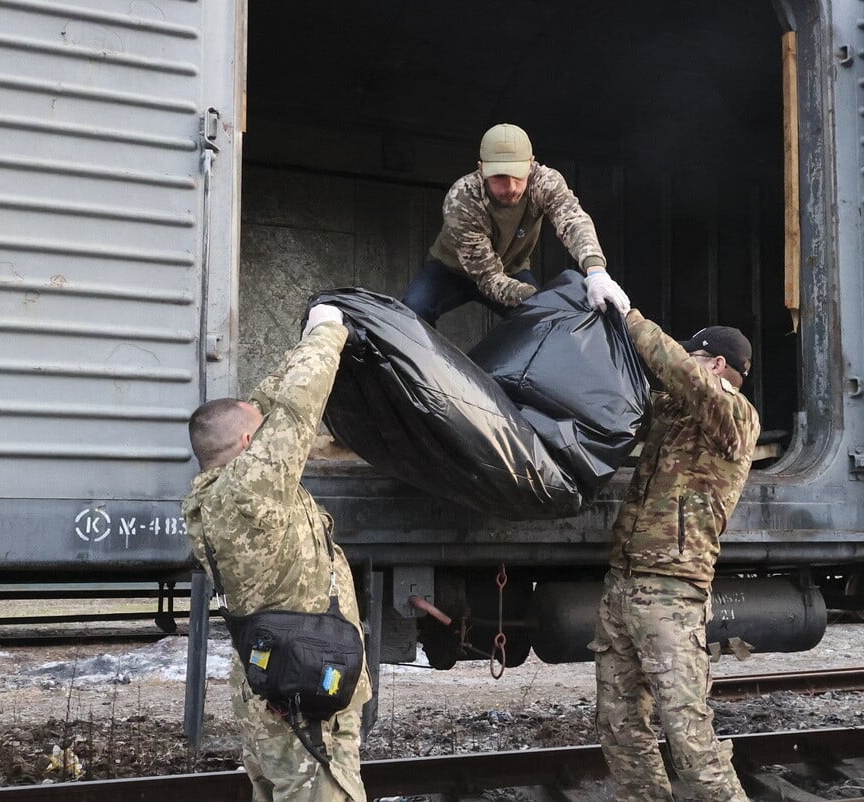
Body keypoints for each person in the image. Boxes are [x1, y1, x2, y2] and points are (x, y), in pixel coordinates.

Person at [182, 304, 371, 802]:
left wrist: (299, 343)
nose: (267, 430)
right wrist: (328, 332)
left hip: (273, 692)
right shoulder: (251, 490)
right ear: (250, 445)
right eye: (258, 432)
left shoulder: (215, 494)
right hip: (305, 697)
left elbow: (263, 407)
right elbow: (294, 408)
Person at [589, 312, 761, 802]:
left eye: (697, 354)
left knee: (688, 736)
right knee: (619, 724)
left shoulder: (735, 416)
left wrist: (629, 316)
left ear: (718, 364)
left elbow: (685, 375)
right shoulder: (673, 413)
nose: (686, 362)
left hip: (671, 590)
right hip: (623, 583)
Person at [402, 122, 629, 326]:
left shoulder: (544, 182)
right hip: (451, 272)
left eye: (517, 175)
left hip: (512, 270)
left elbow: (573, 220)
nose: (510, 187)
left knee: (542, 322)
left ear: (531, 164)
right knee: (413, 312)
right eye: (499, 177)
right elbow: (489, 279)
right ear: (482, 169)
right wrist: (545, 298)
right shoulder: (462, 199)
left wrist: (596, 272)